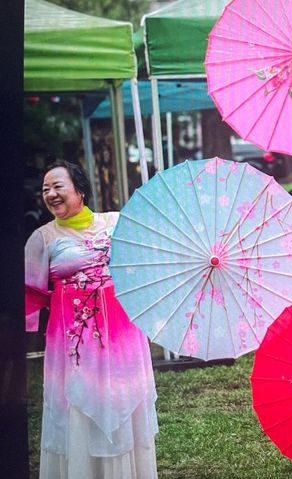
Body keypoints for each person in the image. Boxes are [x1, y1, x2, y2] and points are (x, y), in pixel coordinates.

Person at [25, 160, 158, 478]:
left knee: (122, 396)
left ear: (80, 189)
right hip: (73, 341)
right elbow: (29, 296)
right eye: (46, 189)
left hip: (122, 337)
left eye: (58, 186)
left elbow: (143, 263)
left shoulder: (116, 223)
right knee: (79, 403)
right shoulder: (42, 238)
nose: (51, 194)